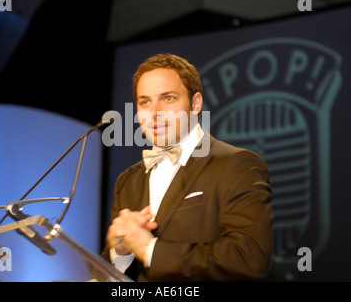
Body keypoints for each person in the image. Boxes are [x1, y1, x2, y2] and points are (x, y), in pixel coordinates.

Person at [101, 53, 273, 281]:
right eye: (145, 102)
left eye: (168, 98)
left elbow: (248, 258)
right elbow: (110, 273)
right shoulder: (127, 180)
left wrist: (150, 250)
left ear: (195, 103)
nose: (154, 112)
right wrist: (121, 253)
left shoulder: (236, 164)